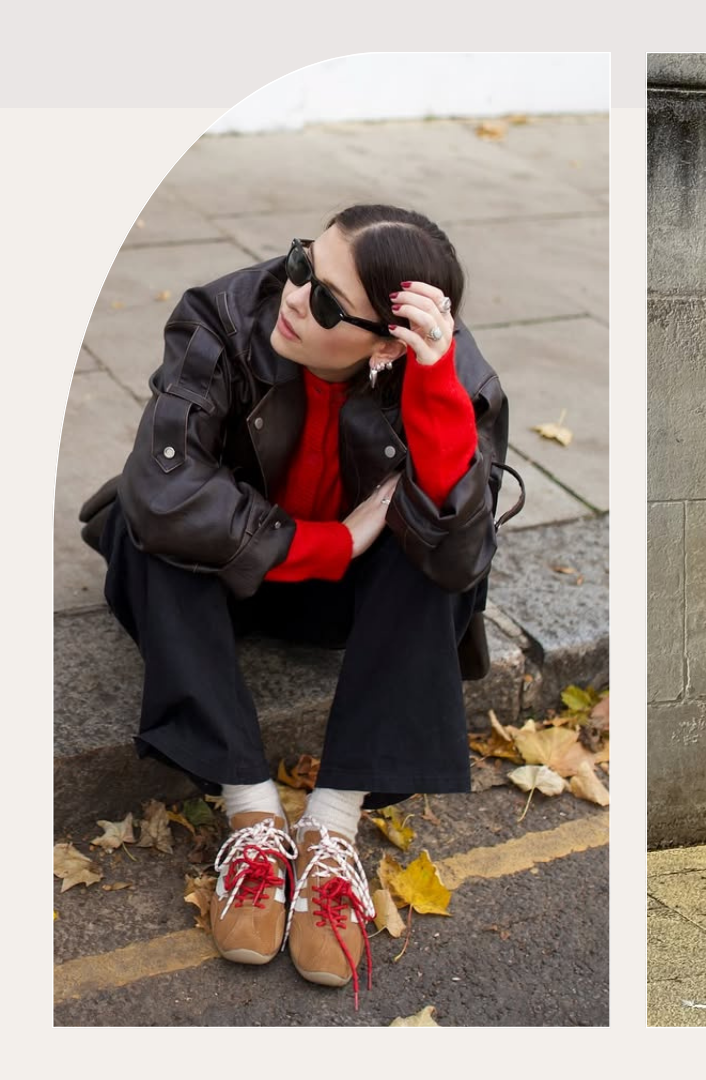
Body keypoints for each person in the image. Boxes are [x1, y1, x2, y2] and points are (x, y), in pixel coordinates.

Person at [78, 205, 514, 1002]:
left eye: (322, 299)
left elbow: (460, 556)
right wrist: (333, 542)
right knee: (146, 532)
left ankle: (331, 826)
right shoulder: (222, 316)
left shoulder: (451, 372)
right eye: (303, 263)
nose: (293, 292)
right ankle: (251, 816)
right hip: (230, 579)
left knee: (436, 545)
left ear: (387, 341)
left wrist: (434, 395)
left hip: (342, 609)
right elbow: (162, 490)